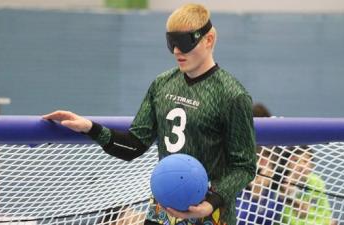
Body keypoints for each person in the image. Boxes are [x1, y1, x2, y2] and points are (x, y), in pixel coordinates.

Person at [43, 3, 256, 225]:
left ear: (208, 40)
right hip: (162, 214)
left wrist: (211, 202)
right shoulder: (162, 84)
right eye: (171, 43)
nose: (176, 51)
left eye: (184, 43)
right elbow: (134, 145)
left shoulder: (232, 95)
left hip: (211, 216)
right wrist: (90, 127)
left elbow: (244, 166)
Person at [281, 146, 334, 225]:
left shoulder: (317, 181)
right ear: (287, 164)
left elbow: (325, 210)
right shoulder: (282, 185)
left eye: (305, 161)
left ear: (311, 165)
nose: (301, 165)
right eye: (295, 160)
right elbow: (287, 218)